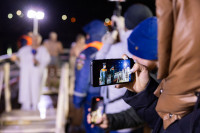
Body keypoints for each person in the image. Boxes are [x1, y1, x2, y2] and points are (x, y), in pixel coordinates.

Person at [87, 17, 158, 133]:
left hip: (118, 110)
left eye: (137, 52)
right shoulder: (157, 79)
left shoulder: (181, 84)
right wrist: (110, 120)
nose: (133, 58)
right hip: (120, 115)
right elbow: (155, 115)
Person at [73, 20, 107, 133]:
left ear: (89, 35)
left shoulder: (87, 54)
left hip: (93, 100)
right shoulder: (110, 50)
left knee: (94, 129)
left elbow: (82, 79)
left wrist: (77, 101)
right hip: (110, 100)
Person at [13, 34, 50, 110]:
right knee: (25, 88)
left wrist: (38, 62)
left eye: (37, 39)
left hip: (36, 74)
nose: (35, 41)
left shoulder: (43, 50)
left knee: (36, 88)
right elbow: (20, 60)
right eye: (33, 39)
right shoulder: (24, 49)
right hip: (26, 74)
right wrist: (16, 59)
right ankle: (25, 106)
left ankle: (35, 105)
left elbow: (46, 61)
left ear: (39, 40)